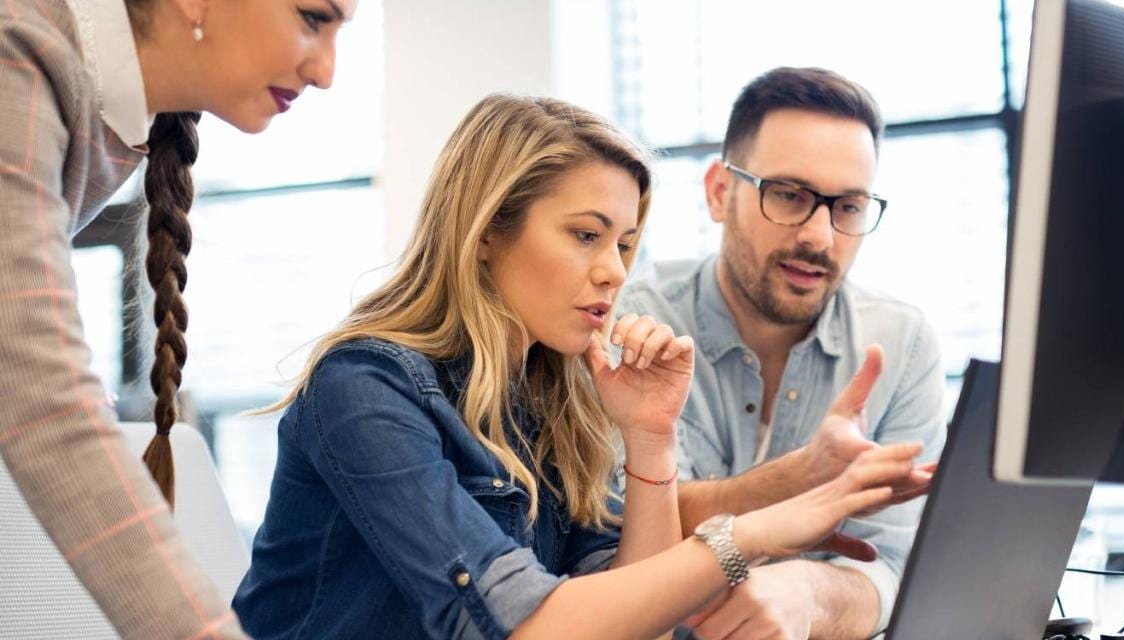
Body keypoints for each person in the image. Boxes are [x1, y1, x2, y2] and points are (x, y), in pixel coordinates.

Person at [232, 93, 925, 640]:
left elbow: (634, 619)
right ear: (486, 231)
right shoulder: (363, 387)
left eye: (624, 244)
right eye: (586, 235)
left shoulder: (548, 399)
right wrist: (749, 533)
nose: (614, 271)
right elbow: (529, 626)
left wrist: (650, 436)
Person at [0, 0, 356, 636]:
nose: (327, 71)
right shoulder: (18, 51)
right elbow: (43, 404)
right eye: (311, 17)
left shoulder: (107, 110)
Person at [614, 67, 946, 639]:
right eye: (789, 195)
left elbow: (898, 566)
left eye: (848, 207)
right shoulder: (633, 324)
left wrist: (812, 595)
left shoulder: (903, 344)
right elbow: (622, 530)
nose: (819, 237)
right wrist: (806, 476)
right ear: (720, 192)